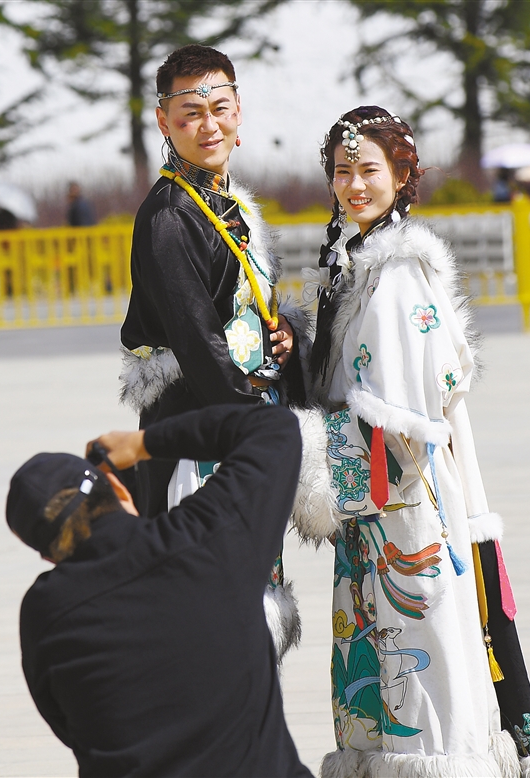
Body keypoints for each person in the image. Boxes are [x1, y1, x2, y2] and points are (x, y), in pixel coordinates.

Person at [291, 106, 530, 778]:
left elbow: (403, 421)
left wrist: (314, 462)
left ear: (401, 175)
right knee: (385, 657)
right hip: (373, 506)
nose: (354, 184)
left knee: (420, 658)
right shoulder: (356, 260)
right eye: (342, 171)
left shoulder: (398, 273)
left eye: (369, 169)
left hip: (403, 501)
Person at [119, 44, 310, 660]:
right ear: (164, 121)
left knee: (252, 602)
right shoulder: (169, 216)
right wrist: (261, 426)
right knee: (212, 607)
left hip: (240, 418)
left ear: (238, 111)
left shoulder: (231, 203)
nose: (209, 126)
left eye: (220, 108)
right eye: (190, 114)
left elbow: (243, 308)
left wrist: (285, 335)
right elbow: (197, 339)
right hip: (203, 431)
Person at [9, 403, 313, 778]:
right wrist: (143, 444)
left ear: (47, 554)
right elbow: (274, 427)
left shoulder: (44, 612)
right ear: (118, 489)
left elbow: (70, 725)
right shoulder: (206, 540)